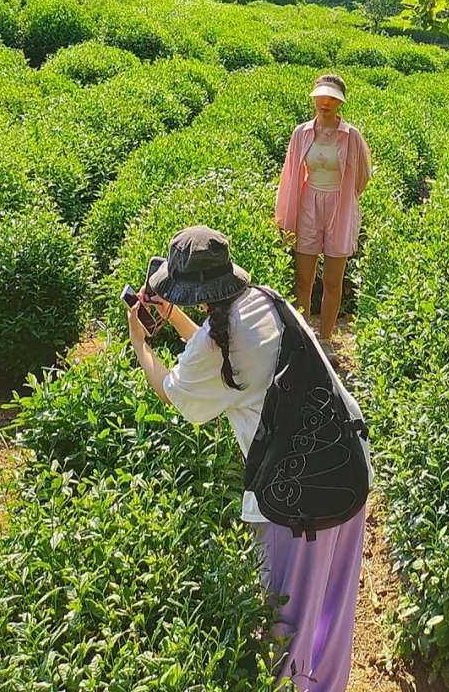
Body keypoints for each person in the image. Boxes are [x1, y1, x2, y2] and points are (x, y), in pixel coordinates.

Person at [127, 225, 370, 692]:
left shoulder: (218, 344)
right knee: (334, 606)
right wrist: (177, 318)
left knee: (287, 620)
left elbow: (176, 390)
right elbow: (221, 353)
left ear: (189, 288)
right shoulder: (264, 298)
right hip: (346, 461)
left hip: (298, 498)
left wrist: (141, 342)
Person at [275, 74, 371, 351]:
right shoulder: (301, 133)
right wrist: (284, 215)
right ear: (314, 98)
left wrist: (344, 204)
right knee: (303, 278)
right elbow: (290, 173)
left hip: (338, 208)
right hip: (308, 204)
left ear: (339, 102)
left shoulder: (351, 136)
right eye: (321, 96)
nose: (325, 103)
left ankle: (326, 338)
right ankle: (304, 338)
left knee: (332, 279)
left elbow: (362, 176)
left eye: (331, 98)